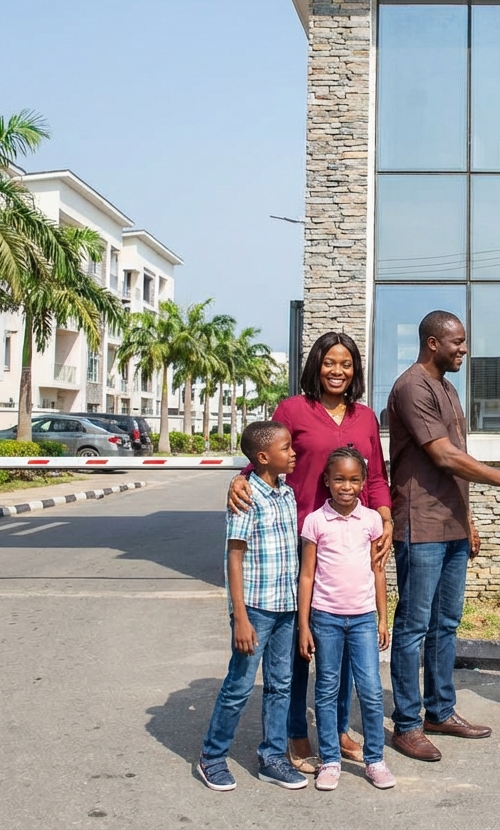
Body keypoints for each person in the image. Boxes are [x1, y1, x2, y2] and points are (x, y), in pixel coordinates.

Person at [227, 332, 391, 772]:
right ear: (315, 365)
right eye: (329, 362)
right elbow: (264, 457)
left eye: (346, 364)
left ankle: (336, 728)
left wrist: (386, 520)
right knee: (302, 641)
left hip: (350, 544)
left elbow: (375, 478)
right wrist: (240, 478)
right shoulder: (293, 410)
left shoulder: (365, 418)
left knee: (340, 637)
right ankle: (297, 732)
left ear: (356, 370)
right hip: (299, 539)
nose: (337, 371)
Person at [388, 309, 500, 762]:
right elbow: (446, 457)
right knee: (414, 626)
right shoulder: (412, 386)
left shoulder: (448, 389)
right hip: (421, 526)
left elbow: (458, 464)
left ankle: (439, 711)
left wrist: (468, 519)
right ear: (433, 342)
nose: (465, 349)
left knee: (446, 624)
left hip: (451, 526)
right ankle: (408, 724)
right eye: (457, 342)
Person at [198, 421, 308, 792]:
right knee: (240, 685)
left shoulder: (287, 494)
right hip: (256, 609)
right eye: (286, 448)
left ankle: (272, 757)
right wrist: (240, 616)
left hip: (286, 608)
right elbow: (234, 557)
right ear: (263, 457)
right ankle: (212, 756)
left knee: (281, 685)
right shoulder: (247, 497)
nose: (293, 453)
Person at [298, 447, 396, 792]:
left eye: (354, 480)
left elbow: (378, 571)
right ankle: (330, 761)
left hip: (363, 620)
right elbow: (307, 576)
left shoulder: (371, 520)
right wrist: (305, 624)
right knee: (326, 690)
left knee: (370, 689)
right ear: (327, 481)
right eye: (339, 479)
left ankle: (375, 759)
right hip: (325, 618)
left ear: (363, 483)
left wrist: (382, 619)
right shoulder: (315, 522)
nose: (346, 486)